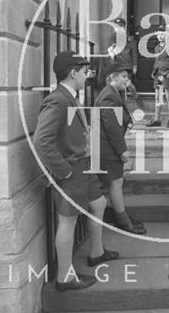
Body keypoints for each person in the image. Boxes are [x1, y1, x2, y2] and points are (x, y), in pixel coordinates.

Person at [32, 50, 119, 292]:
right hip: (72, 171)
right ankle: (65, 277)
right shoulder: (57, 100)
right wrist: (64, 172)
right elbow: (41, 141)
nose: (87, 75)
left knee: (99, 204)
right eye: (83, 72)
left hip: (85, 167)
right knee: (68, 221)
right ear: (72, 73)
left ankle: (96, 252)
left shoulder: (71, 96)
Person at [94, 64, 146, 235]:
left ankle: (121, 217)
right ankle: (123, 222)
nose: (127, 80)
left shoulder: (113, 93)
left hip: (107, 146)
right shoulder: (108, 96)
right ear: (112, 78)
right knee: (116, 183)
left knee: (115, 183)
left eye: (127, 76)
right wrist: (122, 150)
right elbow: (112, 127)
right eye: (123, 76)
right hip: (106, 147)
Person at [95, 18, 141, 106]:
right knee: (120, 86)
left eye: (120, 26)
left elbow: (134, 53)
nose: (118, 28)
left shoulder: (129, 39)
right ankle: (121, 104)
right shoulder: (113, 37)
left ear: (124, 27)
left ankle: (136, 98)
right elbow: (111, 50)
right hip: (116, 65)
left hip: (127, 65)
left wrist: (135, 66)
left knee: (128, 84)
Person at [147, 24, 169, 128]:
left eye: (161, 34)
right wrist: (154, 70)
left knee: (168, 97)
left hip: (166, 73)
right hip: (158, 74)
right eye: (157, 34)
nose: (159, 36)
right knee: (157, 97)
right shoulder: (156, 48)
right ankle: (157, 120)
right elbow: (157, 60)